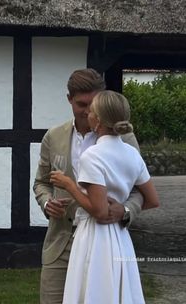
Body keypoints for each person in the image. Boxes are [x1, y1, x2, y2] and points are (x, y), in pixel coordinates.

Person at [33, 68, 144, 304]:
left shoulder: (124, 139)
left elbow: (141, 191)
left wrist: (125, 211)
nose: (87, 112)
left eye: (92, 104)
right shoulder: (53, 137)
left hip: (105, 245)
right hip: (59, 245)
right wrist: (46, 202)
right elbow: (41, 182)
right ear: (69, 99)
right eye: (80, 104)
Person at [50, 90, 159, 304]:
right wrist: (124, 210)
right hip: (120, 236)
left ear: (97, 120)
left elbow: (99, 212)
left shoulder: (92, 156)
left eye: (91, 110)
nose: (87, 113)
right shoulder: (132, 153)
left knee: (93, 291)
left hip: (94, 236)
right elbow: (153, 200)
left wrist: (69, 185)